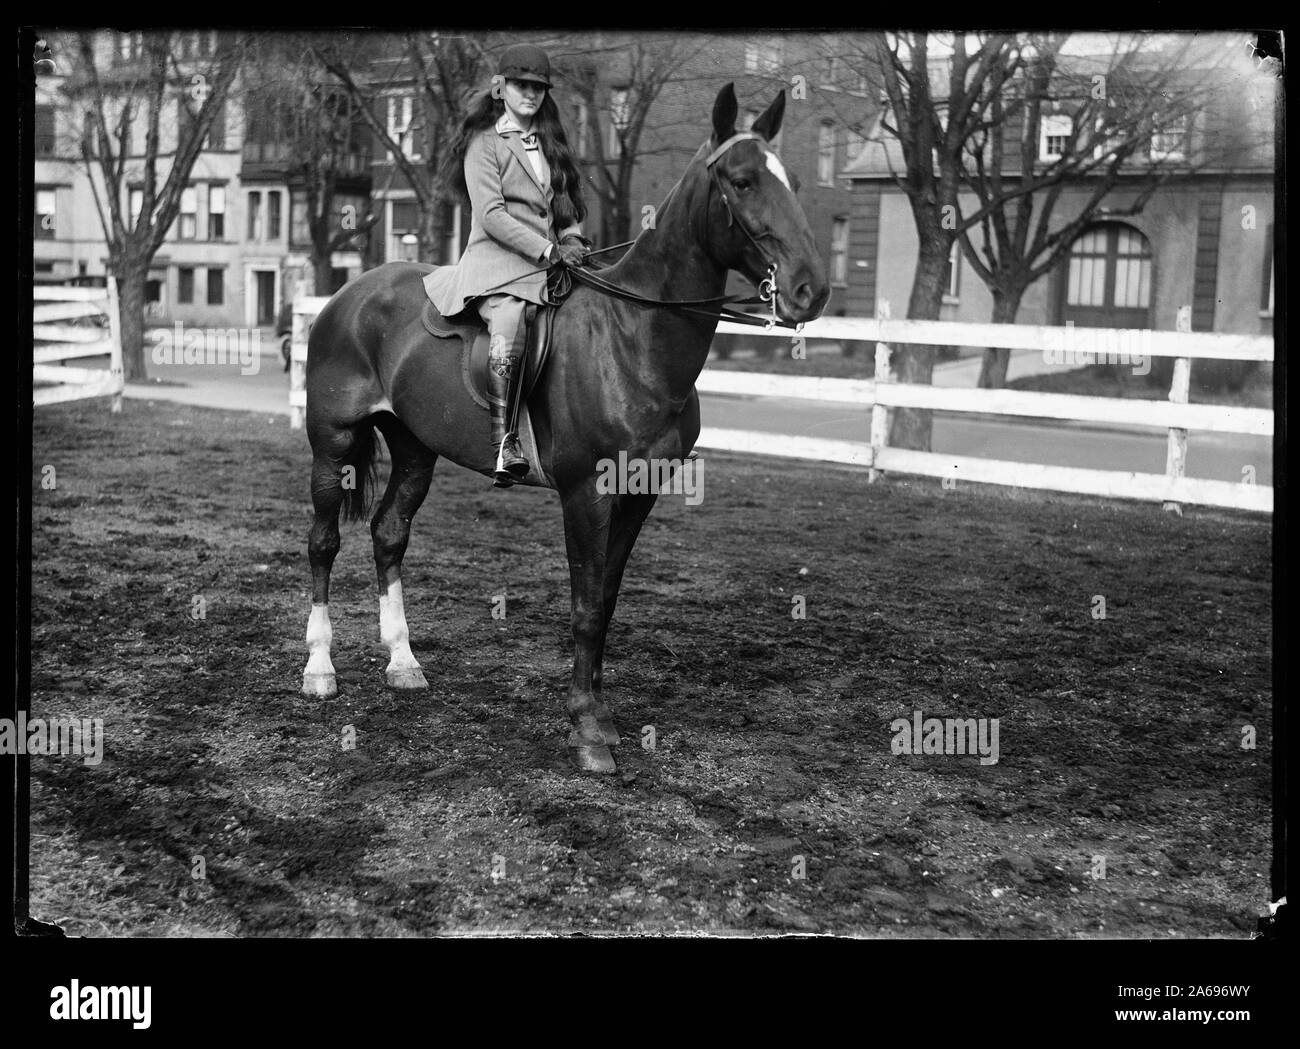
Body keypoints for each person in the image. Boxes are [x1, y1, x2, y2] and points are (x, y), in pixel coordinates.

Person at [426, 43, 589, 486]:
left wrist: (572, 239)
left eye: (538, 87)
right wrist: (549, 250)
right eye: (521, 86)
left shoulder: (550, 139)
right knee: (512, 318)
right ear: (502, 88)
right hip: (498, 263)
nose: (531, 95)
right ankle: (504, 442)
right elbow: (492, 215)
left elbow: (567, 207)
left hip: (549, 266)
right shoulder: (484, 142)